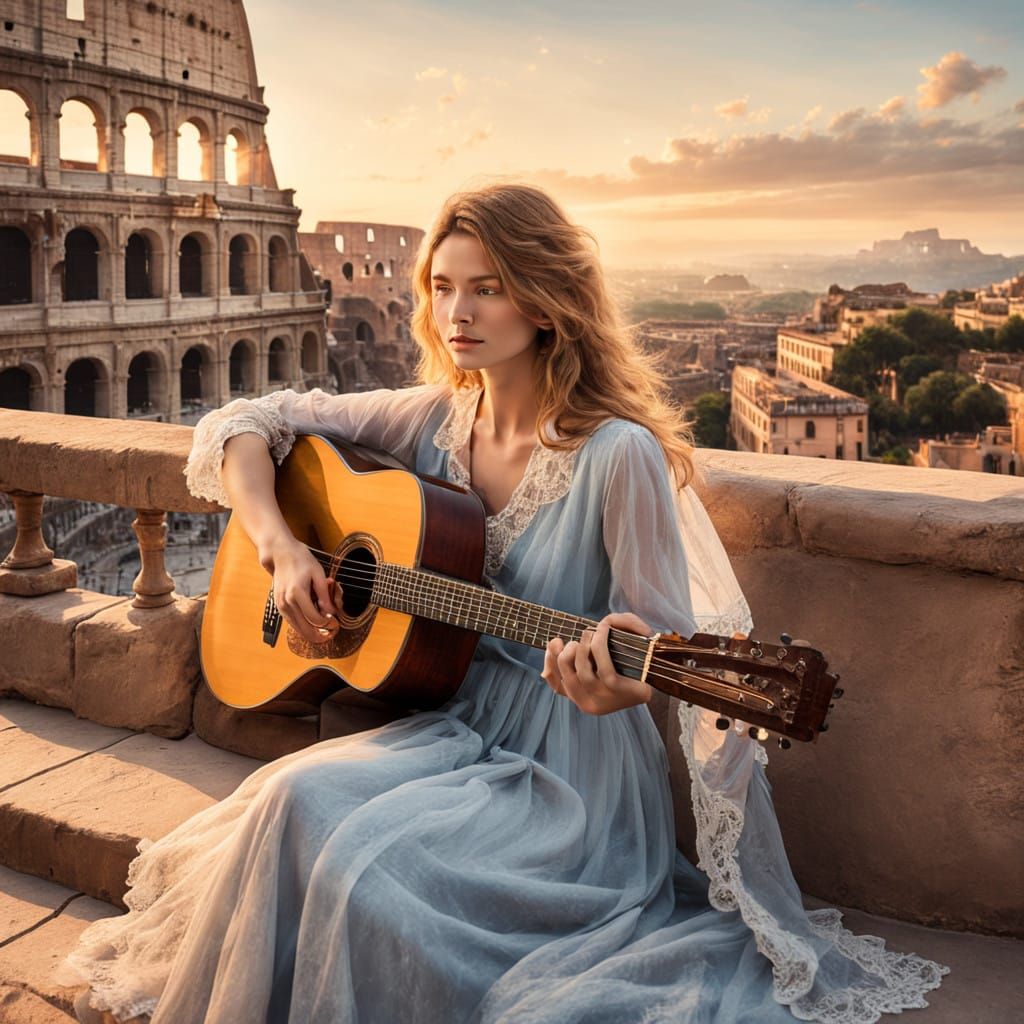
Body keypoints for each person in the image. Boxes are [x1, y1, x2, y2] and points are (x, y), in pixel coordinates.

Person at [63, 183, 947, 1023]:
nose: (459, 312)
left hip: (572, 772)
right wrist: (282, 548)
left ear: (547, 303)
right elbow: (243, 423)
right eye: (443, 287)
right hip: (451, 726)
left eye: (488, 288)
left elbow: (655, 639)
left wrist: (620, 680)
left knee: (360, 867)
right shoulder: (431, 418)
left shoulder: (619, 454)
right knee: (290, 802)